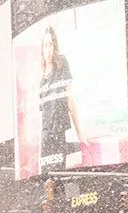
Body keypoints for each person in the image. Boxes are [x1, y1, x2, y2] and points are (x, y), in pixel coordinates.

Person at [37, 27, 84, 173]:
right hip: (46, 136)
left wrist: (79, 132)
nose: (47, 49)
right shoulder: (42, 80)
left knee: (60, 174)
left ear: (55, 46)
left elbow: (70, 99)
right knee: (47, 177)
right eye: (45, 45)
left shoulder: (62, 64)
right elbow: (42, 111)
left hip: (59, 131)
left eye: (50, 44)